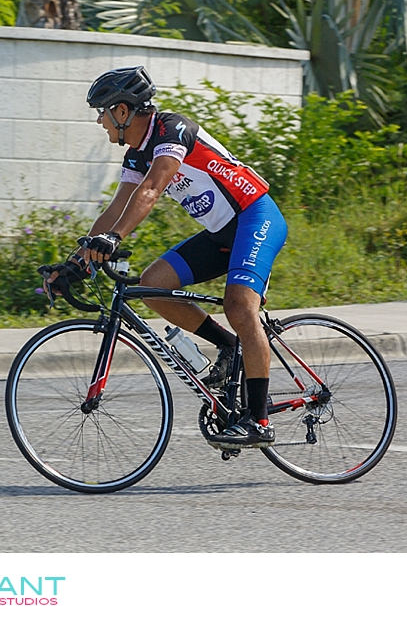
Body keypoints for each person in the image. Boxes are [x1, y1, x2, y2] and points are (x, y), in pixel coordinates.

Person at [44, 66, 288, 448]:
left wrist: (114, 238)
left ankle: (259, 421)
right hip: (221, 233)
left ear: (122, 111)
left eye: (102, 112)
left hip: (256, 217)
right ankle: (229, 346)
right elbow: (115, 209)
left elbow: (152, 190)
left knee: (240, 307)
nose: (99, 121)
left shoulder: (172, 130)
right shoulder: (136, 155)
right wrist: (76, 262)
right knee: (153, 286)